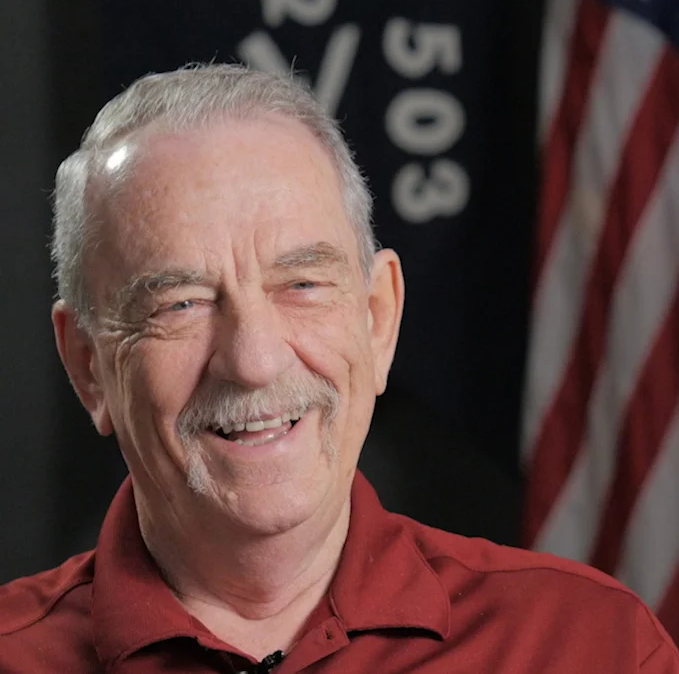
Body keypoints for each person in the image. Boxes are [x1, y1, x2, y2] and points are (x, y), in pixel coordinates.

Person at [0, 64, 676, 674]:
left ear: (378, 319)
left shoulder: (591, 647)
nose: (254, 361)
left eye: (301, 285)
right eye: (181, 303)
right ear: (88, 366)